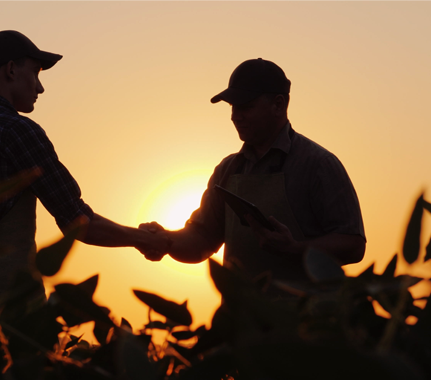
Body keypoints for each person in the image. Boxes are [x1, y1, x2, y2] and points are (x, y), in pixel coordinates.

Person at [0, 30, 167, 302]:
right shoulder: (16, 131)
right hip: (14, 319)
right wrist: (144, 240)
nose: (40, 87)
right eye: (36, 72)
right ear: (11, 70)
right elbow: (78, 221)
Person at [140, 58, 365, 291]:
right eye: (232, 107)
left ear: (278, 104)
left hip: (306, 322)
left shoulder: (319, 165)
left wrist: (295, 248)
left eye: (245, 106)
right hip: (241, 322)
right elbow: (201, 241)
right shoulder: (226, 170)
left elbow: (354, 245)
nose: (235, 116)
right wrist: (164, 240)